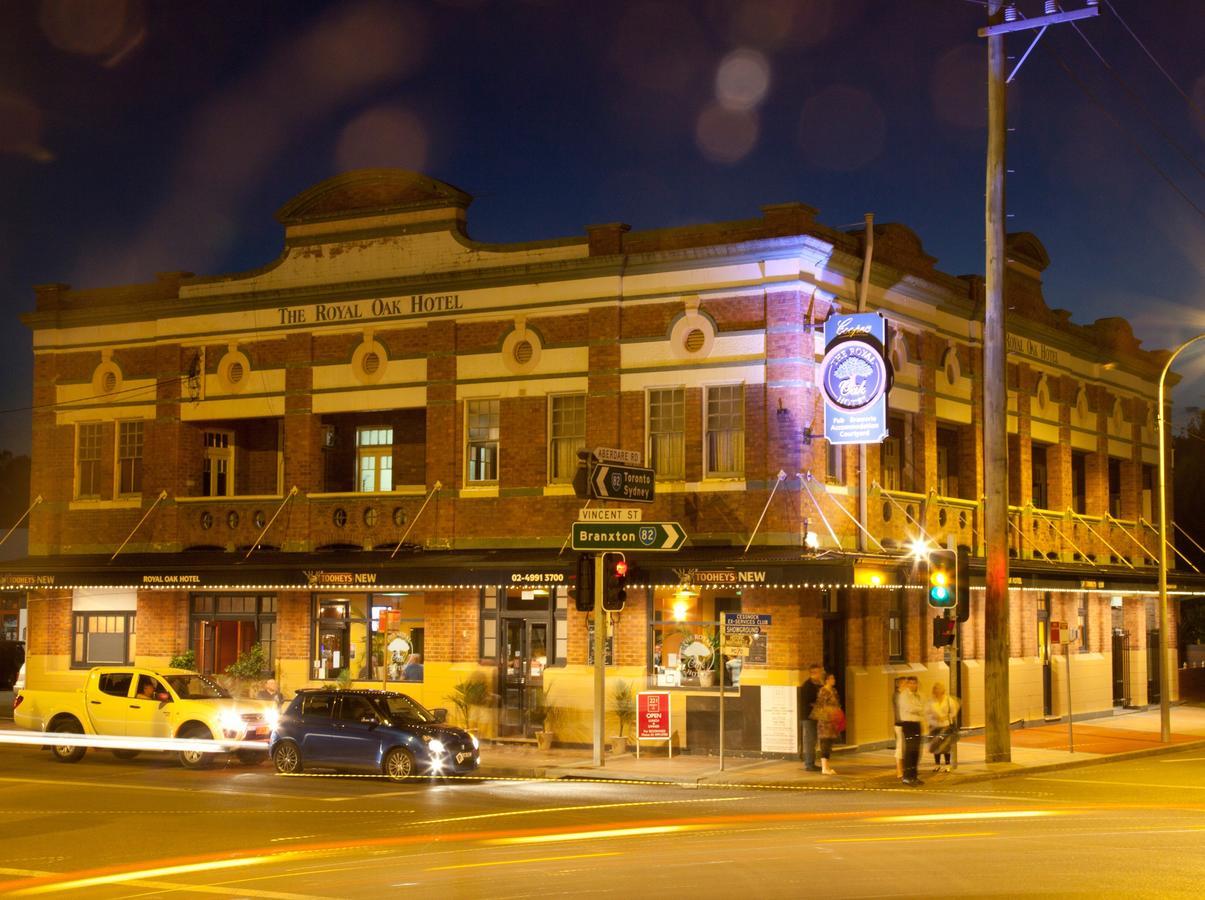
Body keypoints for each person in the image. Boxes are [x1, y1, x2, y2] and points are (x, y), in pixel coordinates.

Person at [812, 672, 844, 775]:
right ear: (827, 680)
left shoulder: (834, 691)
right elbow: (820, 707)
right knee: (825, 744)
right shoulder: (823, 691)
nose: (834, 680)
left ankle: (827, 766)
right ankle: (824, 768)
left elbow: (837, 704)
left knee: (829, 744)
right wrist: (830, 711)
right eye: (831, 678)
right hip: (825, 723)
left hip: (832, 723)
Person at [925, 682, 961, 772]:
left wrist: (946, 717)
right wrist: (934, 719)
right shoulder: (930, 701)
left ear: (943, 690)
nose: (938, 690)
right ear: (934, 690)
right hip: (934, 726)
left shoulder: (948, 699)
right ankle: (937, 765)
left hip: (946, 726)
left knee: (946, 746)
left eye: (939, 688)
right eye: (936, 688)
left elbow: (954, 711)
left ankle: (947, 765)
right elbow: (926, 713)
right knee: (936, 746)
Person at [898, 675, 924, 785]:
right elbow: (909, 708)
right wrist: (920, 708)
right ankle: (907, 777)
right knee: (909, 751)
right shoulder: (904, 695)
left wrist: (919, 708)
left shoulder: (918, 695)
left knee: (916, 751)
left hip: (917, 724)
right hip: (908, 724)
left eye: (915, 683)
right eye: (911, 683)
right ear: (907, 684)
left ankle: (914, 775)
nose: (913, 685)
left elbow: (924, 705)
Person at [800, 664, 824, 773]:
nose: (820, 674)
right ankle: (809, 764)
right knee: (810, 741)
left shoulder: (819, 684)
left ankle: (812, 762)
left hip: (816, 716)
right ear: (812, 673)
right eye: (818, 672)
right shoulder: (807, 686)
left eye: (820, 672)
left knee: (813, 740)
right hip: (808, 717)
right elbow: (808, 702)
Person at [892, 677, 905, 779]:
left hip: (906, 724)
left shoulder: (904, 695)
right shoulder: (897, 695)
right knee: (900, 747)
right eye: (905, 683)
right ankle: (899, 770)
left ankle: (903, 769)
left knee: (904, 748)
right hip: (899, 724)